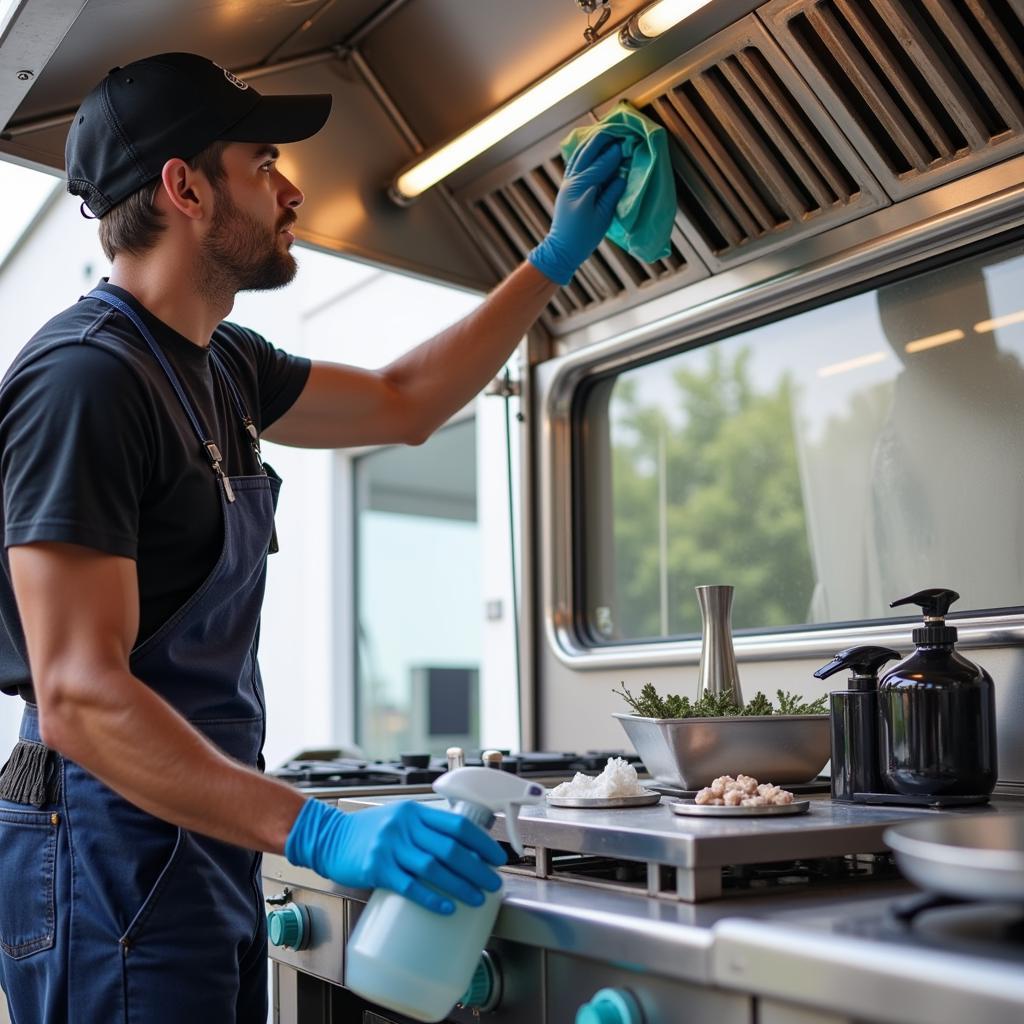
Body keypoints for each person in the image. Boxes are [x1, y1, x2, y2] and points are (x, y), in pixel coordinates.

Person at [0, 52, 627, 1022]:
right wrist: (321, 832)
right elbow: (80, 694)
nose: (292, 191)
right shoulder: (84, 383)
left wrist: (548, 261)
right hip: (106, 853)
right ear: (185, 187)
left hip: (199, 828)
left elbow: (405, 400)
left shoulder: (219, 365)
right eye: (263, 163)